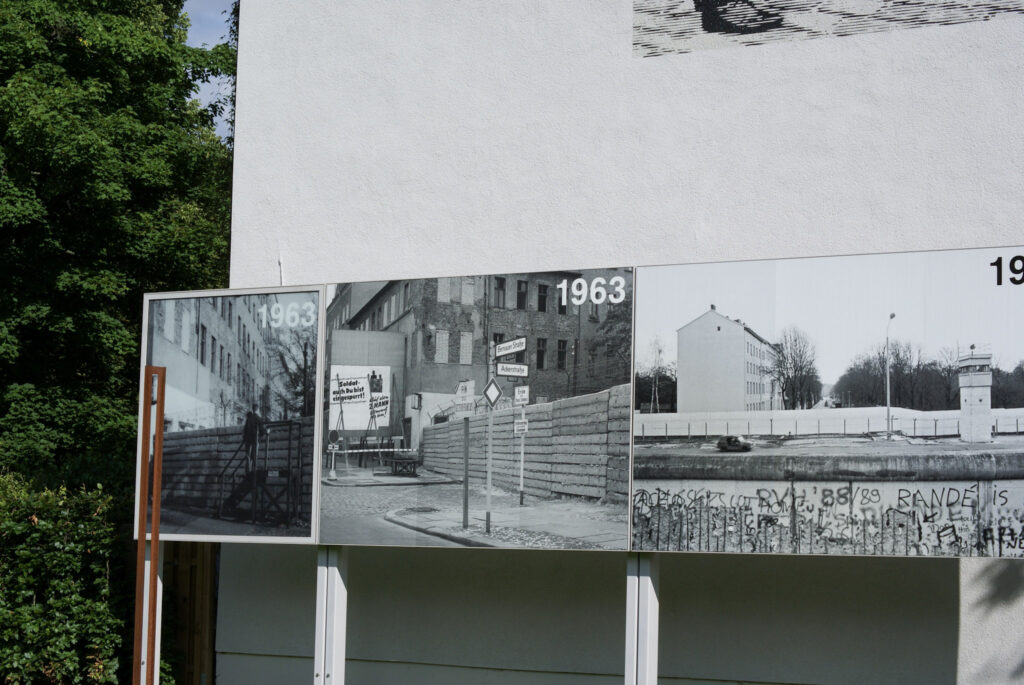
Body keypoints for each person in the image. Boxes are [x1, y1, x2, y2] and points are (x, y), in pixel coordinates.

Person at [242, 403, 266, 473]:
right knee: (254, 455)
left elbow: (245, 429)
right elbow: (261, 430)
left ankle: (247, 471)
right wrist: (266, 432)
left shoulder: (248, 419)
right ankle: (253, 471)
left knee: (248, 456)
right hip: (254, 440)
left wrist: (245, 438)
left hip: (247, 441)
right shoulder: (258, 418)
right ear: (257, 409)